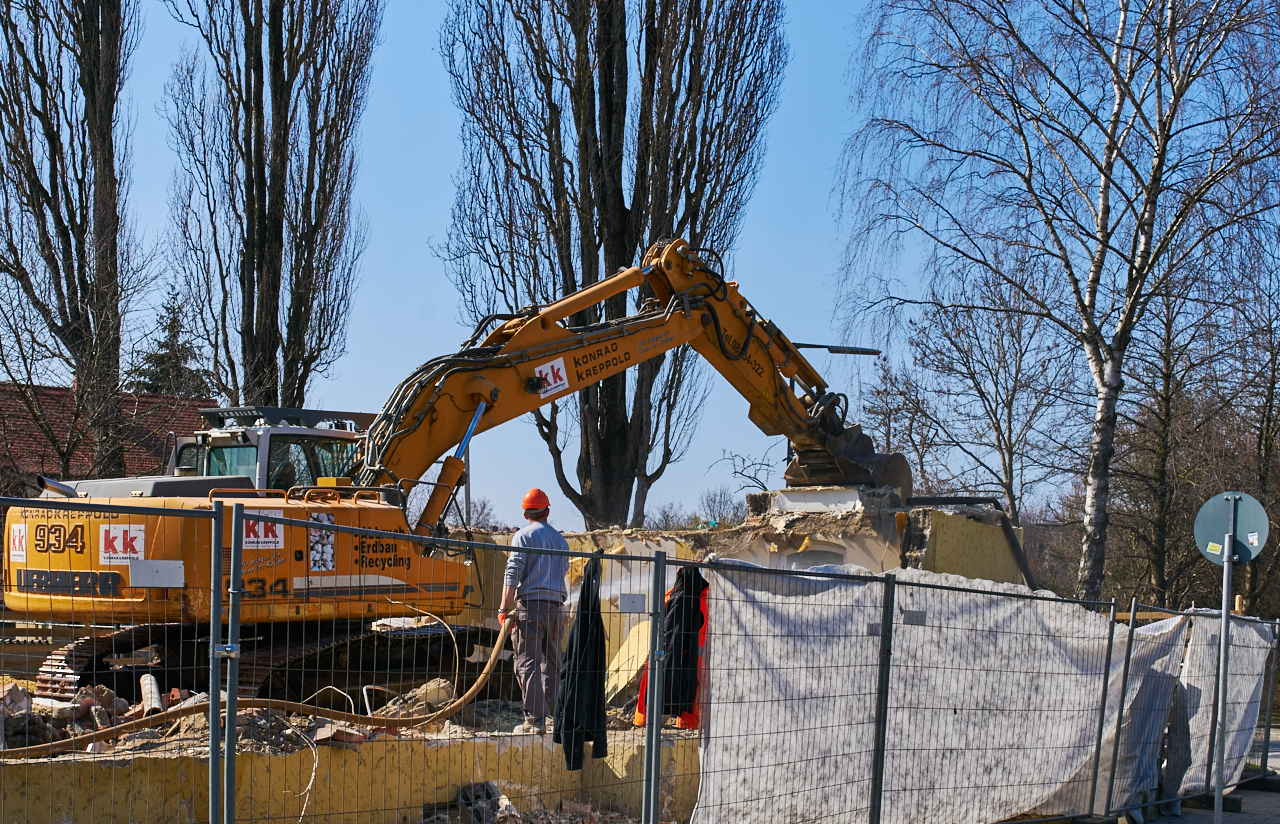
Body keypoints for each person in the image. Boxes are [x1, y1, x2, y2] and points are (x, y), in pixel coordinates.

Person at [499, 488, 570, 734]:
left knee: (527, 661)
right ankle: (554, 716)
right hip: (555, 610)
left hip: (529, 608)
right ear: (547, 511)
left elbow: (513, 573)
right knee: (553, 662)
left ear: (526, 513)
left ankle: (535, 720)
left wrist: (503, 607)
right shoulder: (561, 540)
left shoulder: (523, 536)